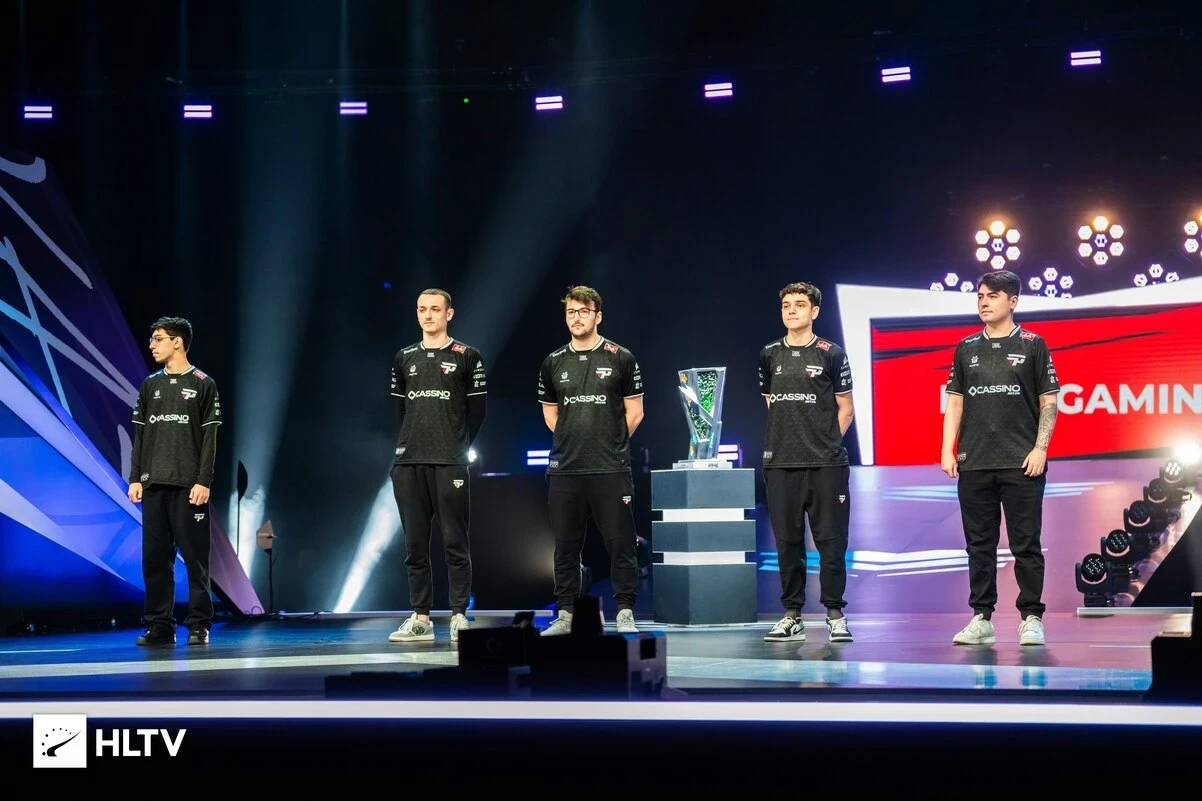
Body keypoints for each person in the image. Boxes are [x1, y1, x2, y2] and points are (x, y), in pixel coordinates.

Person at [941, 269, 1060, 646]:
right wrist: (947, 448)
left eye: (992, 296)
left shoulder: (1033, 344)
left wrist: (1040, 448)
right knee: (979, 545)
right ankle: (981, 618)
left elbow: (1049, 402)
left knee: (1026, 544)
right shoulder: (966, 347)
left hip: (1022, 462)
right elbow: (955, 402)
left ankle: (1031, 618)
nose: (984, 302)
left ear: (1013, 301)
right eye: (980, 296)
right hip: (974, 462)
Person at [537, 286, 644, 636]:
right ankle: (565, 614)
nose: (577, 317)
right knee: (565, 547)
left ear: (598, 316)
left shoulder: (621, 357)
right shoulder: (553, 362)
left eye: (584, 311)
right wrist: (574, 441)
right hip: (566, 470)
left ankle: (625, 611)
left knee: (621, 543)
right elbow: (551, 415)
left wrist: (608, 444)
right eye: (571, 312)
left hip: (610, 468)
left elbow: (635, 413)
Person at [387, 289, 487, 644]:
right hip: (409, 463)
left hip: (450, 463)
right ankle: (421, 618)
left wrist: (455, 446)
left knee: (455, 542)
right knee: (415, 545)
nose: (428, 315)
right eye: (422, 309)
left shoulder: (467, 356)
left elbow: (477, 413)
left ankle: (459, 615)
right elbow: (400, 411)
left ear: (449, 314)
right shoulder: (404, 357)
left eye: (434, 309)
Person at [759, 282, 855, 644]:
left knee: (831, 542)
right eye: (786, 305)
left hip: (826, 465)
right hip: (780, 463)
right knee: (787, 542)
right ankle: (792, 614)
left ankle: (835, 614)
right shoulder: (769, 354)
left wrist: (825, 443)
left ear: (814, 311)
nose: (792, 310)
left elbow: (846, 408)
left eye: (800, 304)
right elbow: (772, 403)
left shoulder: (832, 353)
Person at [127, 316, 222, 646]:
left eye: (158, 339)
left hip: (188, 487)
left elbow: (210, 439)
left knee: (196, 560)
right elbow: (140, 436)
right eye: (151, 339)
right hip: (153, 484)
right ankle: (159, 626)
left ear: (177, 342)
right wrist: (135, 478)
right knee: (154, 560)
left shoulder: (203, 383)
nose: (151, 345)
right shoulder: (149, 385)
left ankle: (199, 624)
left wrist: (204, 480)